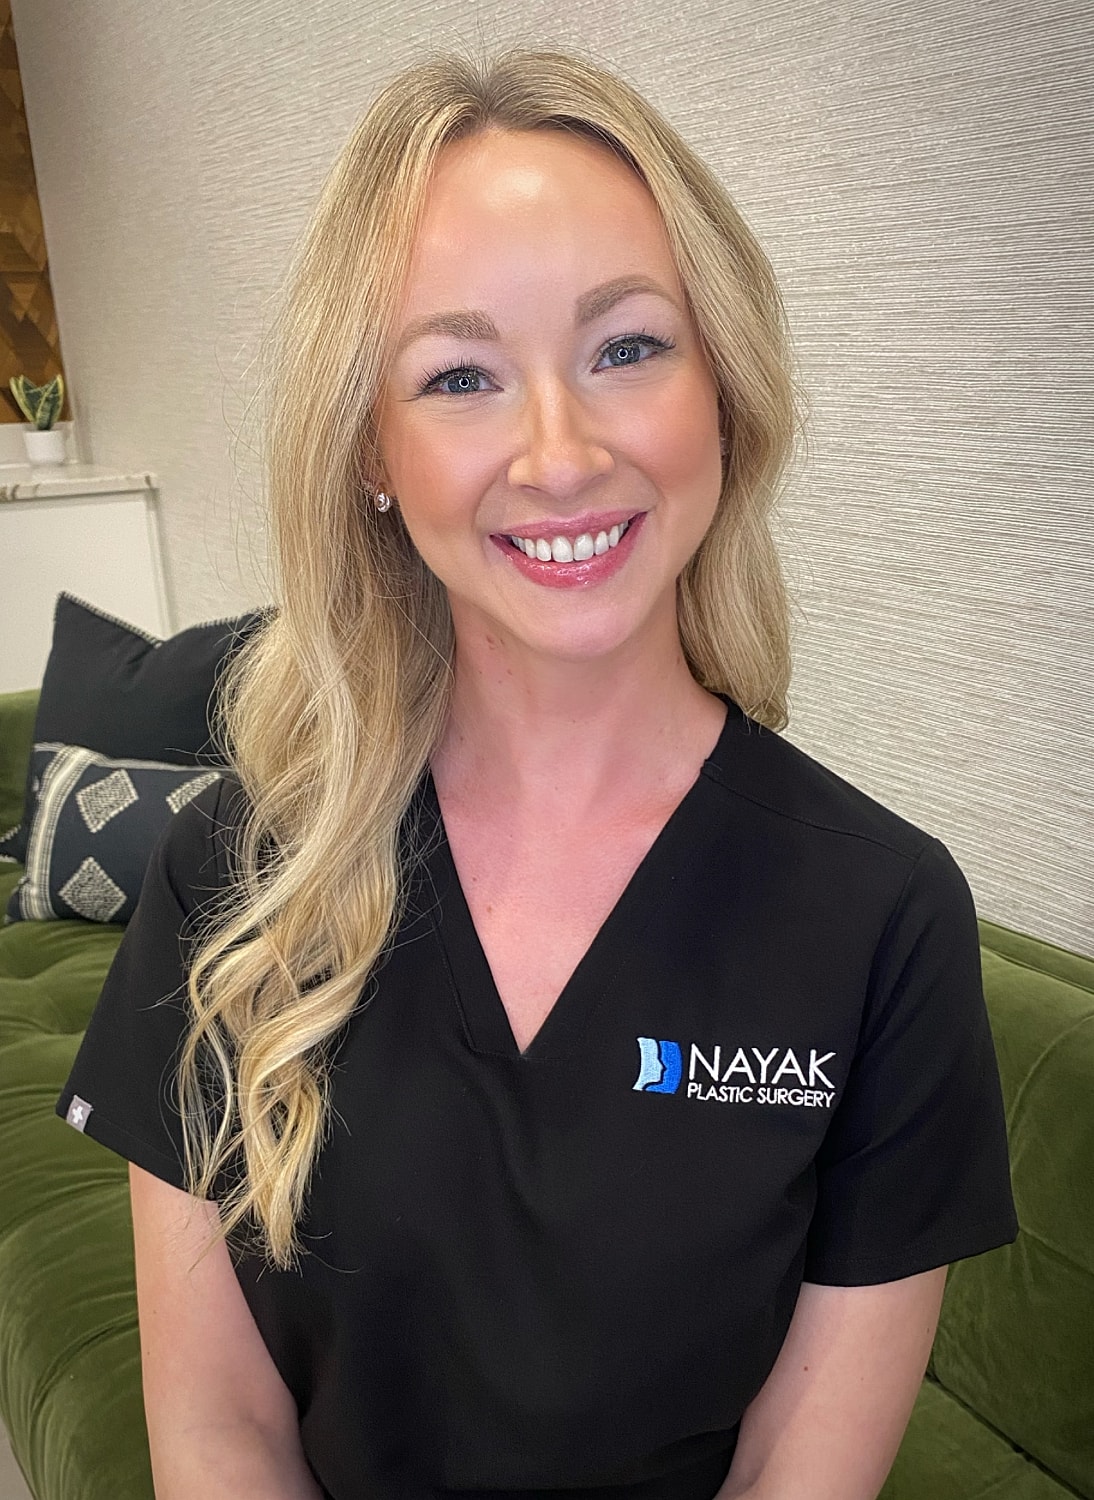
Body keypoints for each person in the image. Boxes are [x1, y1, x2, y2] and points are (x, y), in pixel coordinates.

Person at [57, 47, 1018, 1500]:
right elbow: (220, 1435)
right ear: (370, 452)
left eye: (626, 348)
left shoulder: (883, 918)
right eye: (459, 376)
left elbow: (797, 1477)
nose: (559, 455)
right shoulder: (229, 878)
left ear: (722, 389)